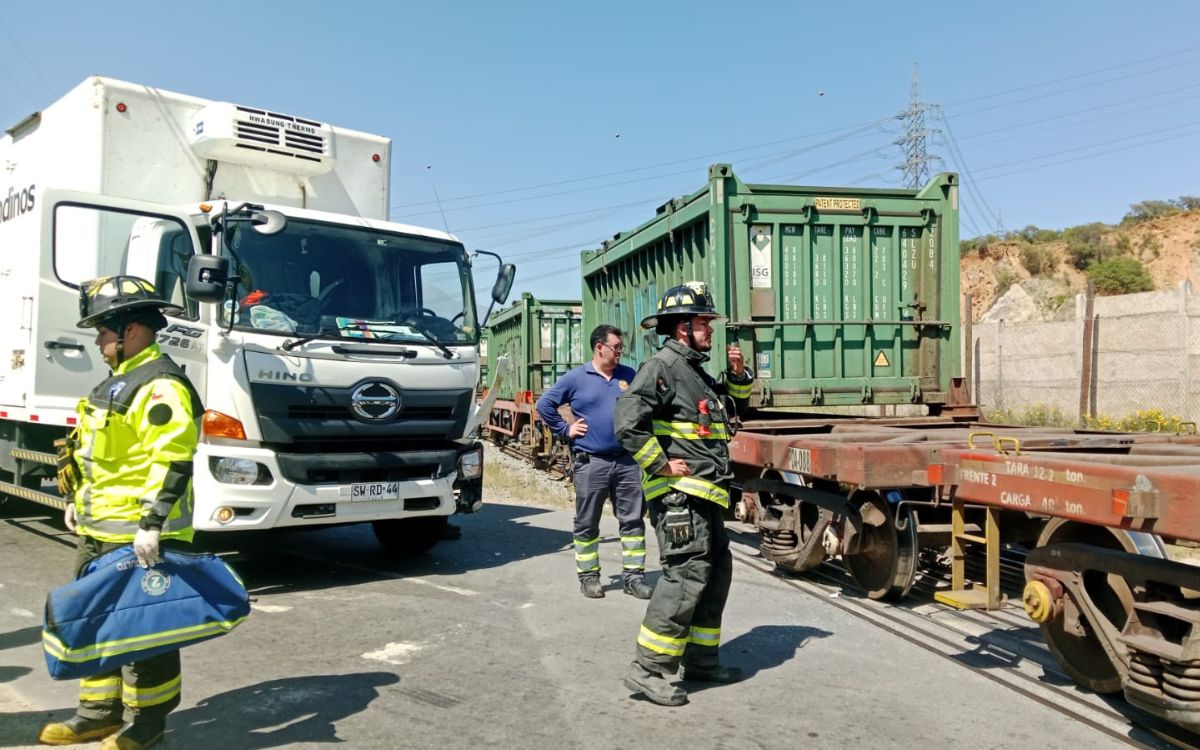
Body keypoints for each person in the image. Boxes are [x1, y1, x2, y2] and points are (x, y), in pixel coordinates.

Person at [39, 276, 203, 750]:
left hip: (138, 536)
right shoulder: (120, 380)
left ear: (131, 330)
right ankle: (97, 715)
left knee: (145, 633)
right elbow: (96, 454)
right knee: (93, 623)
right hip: (98, 530)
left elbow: (171, 460)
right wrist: (74, 499)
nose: (96, 341)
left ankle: (148, 724)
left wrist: (151, 526)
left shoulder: (161, 385)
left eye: (102, 332)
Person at [613, 281, 753, 707]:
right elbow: (627, 422)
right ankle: (648, 669)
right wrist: (660, 464)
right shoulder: (662, 367)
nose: (710, 329)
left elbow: (730, 414)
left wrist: (736, 379)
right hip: (679, 496)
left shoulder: (692, 370)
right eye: (704, 322)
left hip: (707, 493)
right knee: (686, 576)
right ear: (681, 328)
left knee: (715, 573)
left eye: (709, 322)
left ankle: (701, 660)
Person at [536, 324, 653, 600]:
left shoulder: (628, 375)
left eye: (622, 347)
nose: (620, 352)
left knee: (633, 521)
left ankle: (634, 577)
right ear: (599, 347)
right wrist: (566, 430)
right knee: (588, 521)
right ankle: (589, 577)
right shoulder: (577, 378)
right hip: (592, 463)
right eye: (616, 347)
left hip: (626, 462)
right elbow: (544, 405)